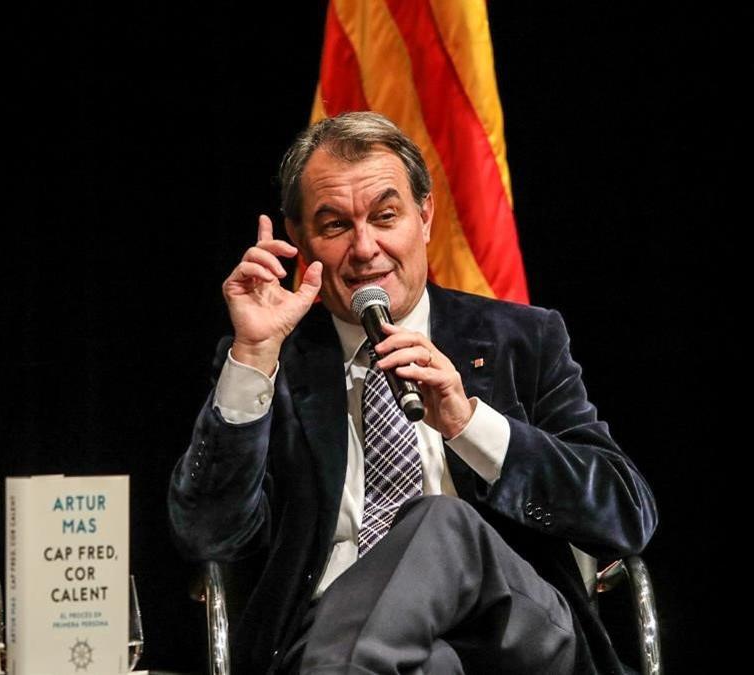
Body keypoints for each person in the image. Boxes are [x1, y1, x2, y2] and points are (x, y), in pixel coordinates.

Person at [168, 111, 657, 674]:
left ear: (424, 217)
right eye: (334, 227)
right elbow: (206, 535)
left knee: (437, 521)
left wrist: (467, 423)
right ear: (299, 240)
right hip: (329, 635)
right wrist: (253, 357)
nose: (365, 248)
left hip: (514, 638)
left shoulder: (523, 339)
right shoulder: (276, 360)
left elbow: (626, 514)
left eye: (385, 216)